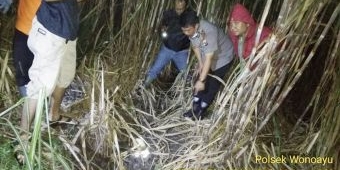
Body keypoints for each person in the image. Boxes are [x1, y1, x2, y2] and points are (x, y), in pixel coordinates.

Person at [16, 0, 79, 164]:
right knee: (40, 88)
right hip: (50, 32)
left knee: (65, 77)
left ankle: (53, 115)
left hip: (68, 33)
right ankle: (22, 139)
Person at [180, 12, 234, 119]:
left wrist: (202, 81)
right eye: (183, 30)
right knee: (200, 78)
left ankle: (201, 111)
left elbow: (209, 58)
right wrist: (200, 63)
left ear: (196, 26)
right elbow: (195, 46)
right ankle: (194, 109)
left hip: (223, 57)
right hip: (209, 54)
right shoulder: (191, 30)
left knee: (211, 84)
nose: (186, 33)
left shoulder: (209, 32)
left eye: (188, 30)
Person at [144, 0, 195, 87]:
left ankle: (192, 93)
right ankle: (143, 88)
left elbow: (194, 30)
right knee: (154, 70)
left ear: (185, 3)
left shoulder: (190, 15)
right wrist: (163, 30)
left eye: (182, 1)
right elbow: (163, 26)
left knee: (186, 75)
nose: (179, 2)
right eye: (177, 1)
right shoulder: (168, 13)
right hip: (166, 49)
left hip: (181, 52)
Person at [228, 3, 271, 69]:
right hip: (247, 70)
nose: (233, 27)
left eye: (236, 23)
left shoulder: (264, 34)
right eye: (231, 24)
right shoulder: (234, 35)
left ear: (247, 23)